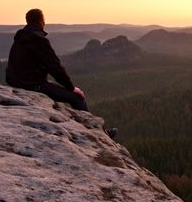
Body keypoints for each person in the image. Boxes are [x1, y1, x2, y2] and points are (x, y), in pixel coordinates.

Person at [6, 8, 117, 138]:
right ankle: (100, 134)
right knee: (77, 98)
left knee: (56, 88)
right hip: (33, 84)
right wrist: (72, 88)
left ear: (28, 21)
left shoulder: (20, 38)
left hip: (16, 81)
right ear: (42, 21)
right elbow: (55, 68)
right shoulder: (39, 40)